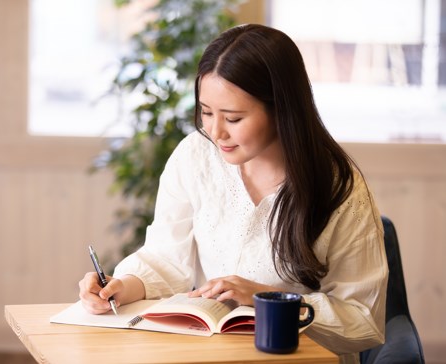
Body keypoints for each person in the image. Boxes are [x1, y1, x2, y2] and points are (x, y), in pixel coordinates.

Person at [79, 24, 388, 364]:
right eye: (206, 112)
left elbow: (362, 321)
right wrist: (121, 286)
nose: (215, 131)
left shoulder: (339, 188)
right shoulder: (195, 156)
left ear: (281, 109)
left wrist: (266, 299)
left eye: (234, 117)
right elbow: (166, 259)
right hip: (207, 354)